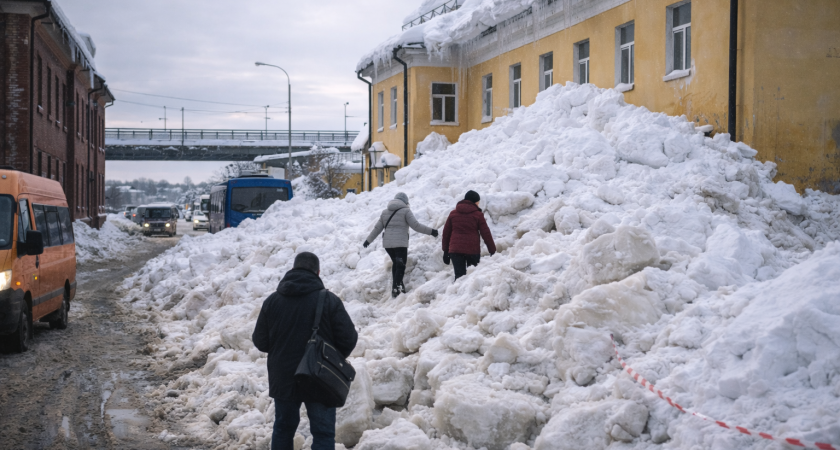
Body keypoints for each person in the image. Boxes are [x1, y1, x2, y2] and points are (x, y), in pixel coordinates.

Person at [252, 252, 358, 450]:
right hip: (320, 376)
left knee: (283, 428)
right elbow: (349, 338)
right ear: (318, 272)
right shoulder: (329, 301)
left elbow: (260, 341)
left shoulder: (272, 301)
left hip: (283, 377)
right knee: (323, 433)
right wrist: (331, 356)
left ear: (292, 269)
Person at [364, 192, 438, 297]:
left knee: (396, 263)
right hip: (400, 244)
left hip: (388, 245)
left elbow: (377, 228)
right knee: (401, 265)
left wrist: (368, 240)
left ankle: (398, 287)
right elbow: (416, 226)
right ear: (405, 202)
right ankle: (396, 287)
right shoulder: (406, 211)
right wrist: (431, 231)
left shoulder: (385, 212)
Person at [442, 190, 496, 279]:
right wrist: (492, 251)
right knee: (472, 278)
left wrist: (445, 251)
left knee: (459, 278)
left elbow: (446, 233)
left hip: (455, 251)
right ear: (474, 202)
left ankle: (457, 293)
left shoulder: (453, 214)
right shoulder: (478, 215)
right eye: (478, 203)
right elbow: (486, 233)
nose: (478, 205)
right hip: (472, 251)